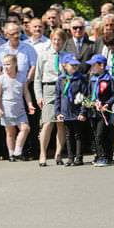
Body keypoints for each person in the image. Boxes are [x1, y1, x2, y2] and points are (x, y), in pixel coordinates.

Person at [35, 28, 68, 166]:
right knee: (47, 123)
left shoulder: (67, 56)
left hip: (63, 88)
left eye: (59, 40)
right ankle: (43, 153)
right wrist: (39, 95)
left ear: (64, 42)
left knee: (61, 124)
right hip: (48, 88)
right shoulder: (43, 55)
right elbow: (37, 77)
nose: (56, 42)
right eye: (54, 39)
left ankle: (58, 153)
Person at [0, 54, 36, 162]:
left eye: (8, 64)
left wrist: (30, 104)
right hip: (6, 109)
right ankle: (11, 154)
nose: (6, 67)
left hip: (20, 108)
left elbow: (26, 92)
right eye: (4, 65)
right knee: (10, 133)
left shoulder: (22, 77)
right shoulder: (0, 79)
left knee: (25, 128)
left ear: (15, 64)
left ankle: (18, 151)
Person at [56, 54, 87, 166]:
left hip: (77, 112)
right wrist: (58, 112)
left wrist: (83, 112)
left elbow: (84, 96)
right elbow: (58, 97)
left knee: (78, 135)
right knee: (68, 135)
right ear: (64, 65)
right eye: (72, 65)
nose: (74, 67)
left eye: (76, 65)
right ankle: (70, 157)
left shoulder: (81, 79)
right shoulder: (61, 79)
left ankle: (79, 158)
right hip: (65, 112)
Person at [85, 55, 114, 166]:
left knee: (101, 135)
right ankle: (99, 155)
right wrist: (90, 103)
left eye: (94, 65)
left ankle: (104, 157)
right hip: (94, 111)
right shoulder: (92, 79)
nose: (92, 67)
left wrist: (107, 104)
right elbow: (89, 95)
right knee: (95, 135)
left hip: (104, 112)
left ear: (102, 65)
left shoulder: (109, 79)